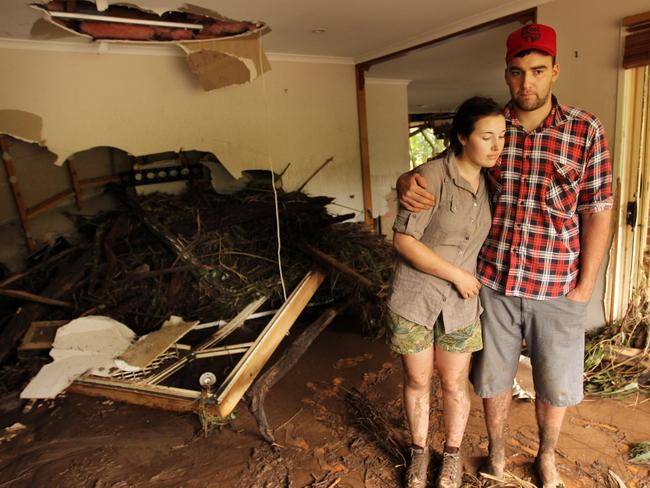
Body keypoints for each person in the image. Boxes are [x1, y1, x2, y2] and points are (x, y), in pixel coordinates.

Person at [396, 24, 613, 488]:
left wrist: (586, 285)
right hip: (491, 281)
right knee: (492, 380)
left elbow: (598, 211)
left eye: (537, 71)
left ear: (555, 70)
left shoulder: (584, 130)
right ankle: (494, 453)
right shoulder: (494, 128)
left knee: (553, 385)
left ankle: (546, 457)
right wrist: (405, 179)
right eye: (517, 73)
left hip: (557, 284)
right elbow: (445, 168)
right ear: (507, 74)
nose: (526, 83)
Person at [387, 96, 506, 488]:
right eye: (486, 137)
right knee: (419, 381)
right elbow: (404, 240)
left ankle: (451, 456)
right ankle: (419, 454)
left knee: (455, 384)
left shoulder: (493, 181)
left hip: (460, 306)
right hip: (416, 300)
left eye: (501, 137)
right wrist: (456, 274)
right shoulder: (430, 177)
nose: (495, 146)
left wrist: (461, 281)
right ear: (461, 137)